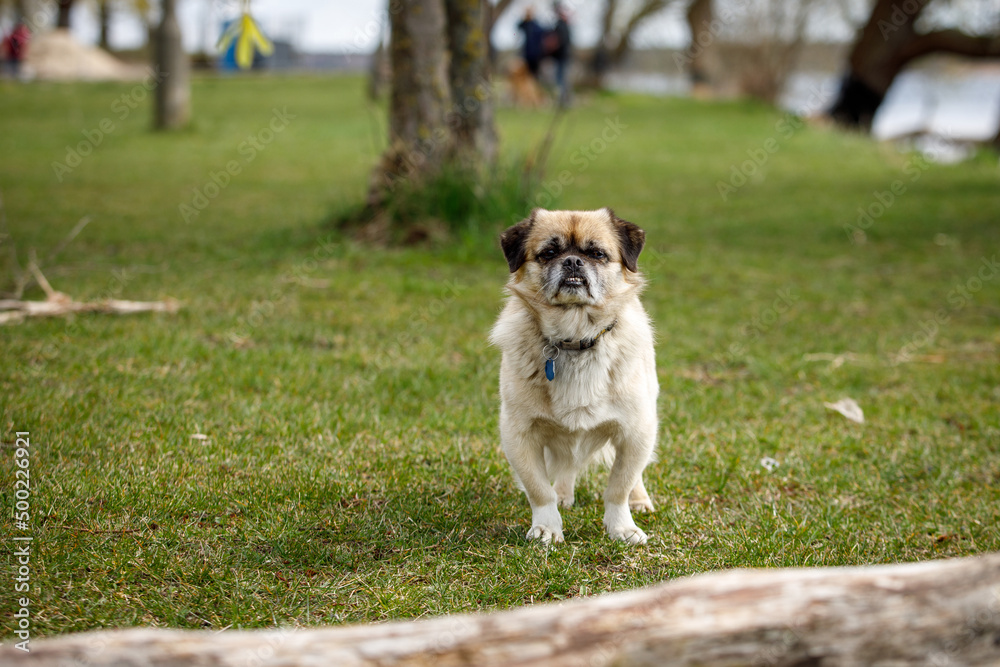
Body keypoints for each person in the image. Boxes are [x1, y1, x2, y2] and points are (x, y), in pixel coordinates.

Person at [548, 3, 572, 107]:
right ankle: (563, 100)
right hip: (562, 56)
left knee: (561, 79)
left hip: (561, 57)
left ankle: (563, 101)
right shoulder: (562, 25)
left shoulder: (561, 26)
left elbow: (561, 42)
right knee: (561, 79)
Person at [517, 7, 544, 80]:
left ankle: (534, 84)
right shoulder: (525, 24)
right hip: (526, 52)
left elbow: (541, 35)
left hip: (536, 53)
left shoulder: (536, 25)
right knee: (526, 72)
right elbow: (518, 27)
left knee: (535, 73)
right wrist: (524, 19)